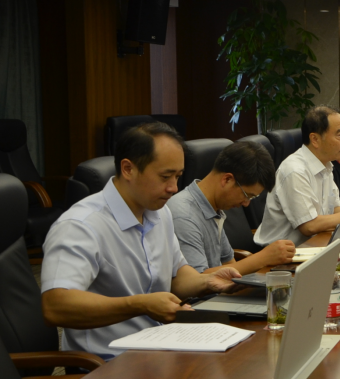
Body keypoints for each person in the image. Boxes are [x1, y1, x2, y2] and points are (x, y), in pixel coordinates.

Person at [40, 123, 240, 359]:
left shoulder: (160, 212)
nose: (174, 188)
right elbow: (55, 306)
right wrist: (140, 305)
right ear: (128, 169)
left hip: (160, 348)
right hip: (109, 363)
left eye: (178, 176)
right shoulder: (80, 225)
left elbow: (176, 276)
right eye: (165, 177)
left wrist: (207, 281)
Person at [169, 140, 296, 274]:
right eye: (247, 195)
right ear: (227, 179)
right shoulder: (184, 216)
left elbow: (229, 264)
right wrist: (263, 258)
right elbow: (196, 280)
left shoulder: (213, 209)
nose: (246, 203)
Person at [255, 106, 340, 246]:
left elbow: (334, 208)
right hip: (283, 254)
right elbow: (309, 225)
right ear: (315, 139)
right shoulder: (294, 171)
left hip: (315, 245)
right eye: (339, 135)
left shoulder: (326, 165)